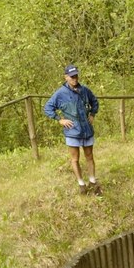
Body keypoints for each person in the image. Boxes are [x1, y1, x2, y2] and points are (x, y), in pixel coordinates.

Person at [44, 64, 102, 195]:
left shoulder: (85, 90)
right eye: (71, 76)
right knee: (74, 159)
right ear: (66, 77)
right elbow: (48, 108)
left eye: (76, 76)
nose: (74, 78)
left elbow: (95, 101)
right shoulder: (60, 94)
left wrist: (92, 114)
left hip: (86, 129)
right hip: (72, 131)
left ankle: (92, 181)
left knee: (89, 156)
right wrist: (60, 119)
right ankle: (81, 184)